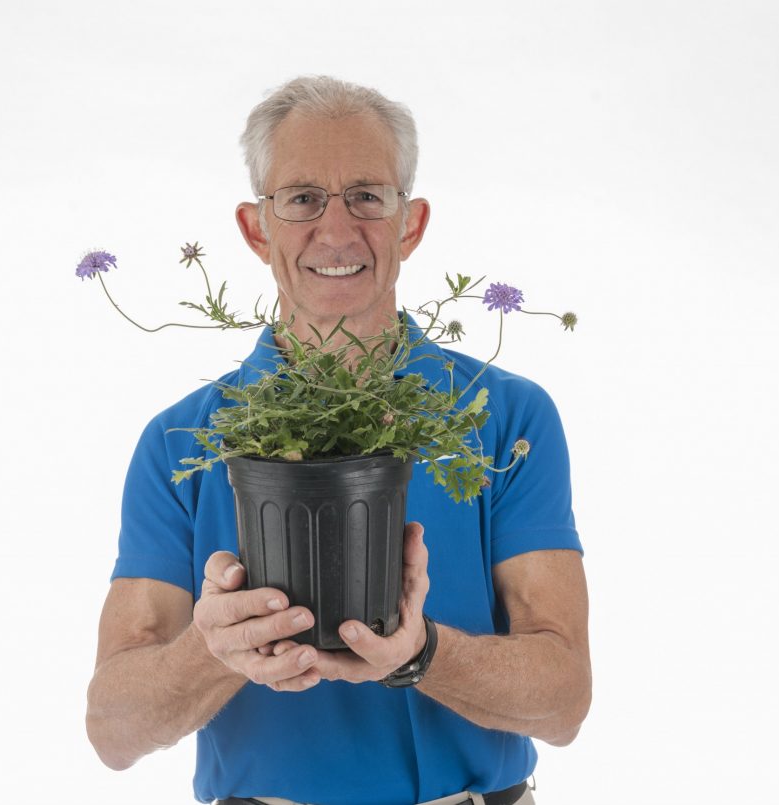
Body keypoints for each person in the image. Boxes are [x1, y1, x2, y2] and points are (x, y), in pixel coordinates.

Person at [85, 76, 591, 805]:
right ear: (256, 228)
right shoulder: (180, 443)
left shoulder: (508, 421)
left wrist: (421, 654)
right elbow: (112, 729)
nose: (336, 229)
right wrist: (214, 649)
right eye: (300, 199)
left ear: (410, 223)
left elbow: (565, 699)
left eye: (366, 196)